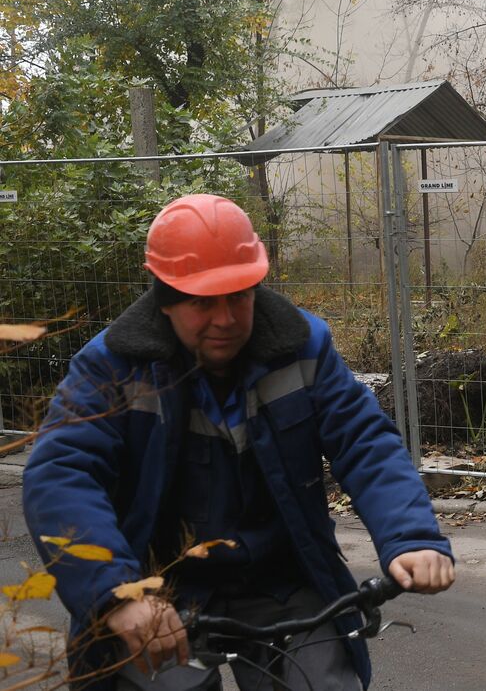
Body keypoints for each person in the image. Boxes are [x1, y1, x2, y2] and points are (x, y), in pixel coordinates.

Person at [23, 194, 455, 689]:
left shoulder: (304, 347)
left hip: (281, 578)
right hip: (158, 585)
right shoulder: (110, 366)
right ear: (165, 296)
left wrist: (411, 536)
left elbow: (366, 442)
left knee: (324, 683)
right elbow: (61, 475)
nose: (226, 319)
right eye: (203, 301)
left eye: (239, 295)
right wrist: (117, 595)